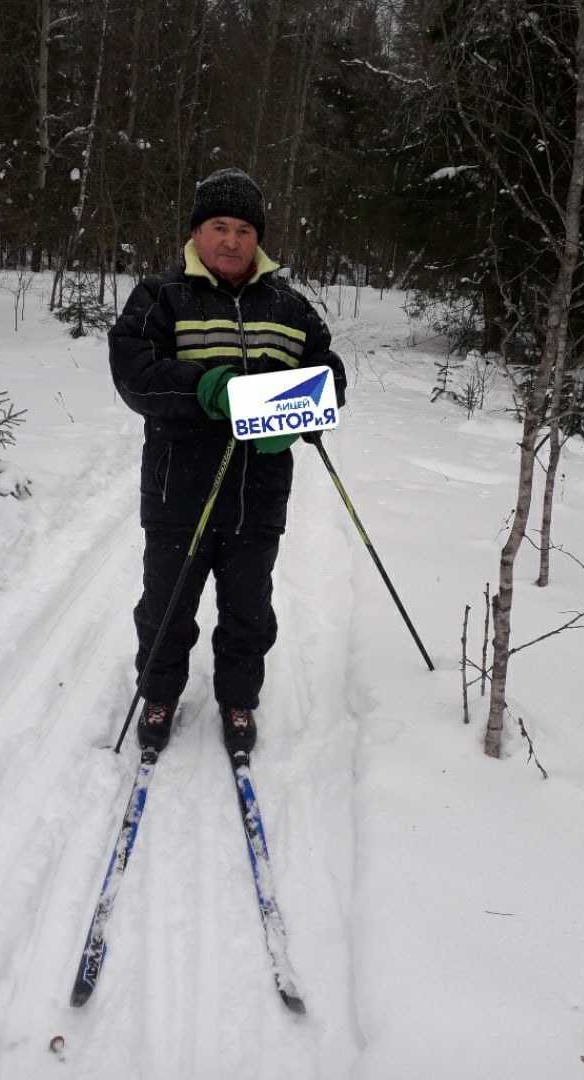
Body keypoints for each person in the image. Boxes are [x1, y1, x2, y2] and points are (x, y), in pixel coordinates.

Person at [108, 167, 346, 758]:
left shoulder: (290, 305)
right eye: (220, 227)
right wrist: (208, 388)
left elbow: (329, 377)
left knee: (248, 606)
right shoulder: (161, 295)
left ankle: (238, 698)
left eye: (244, 229)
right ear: (197, 232)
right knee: (166, 605)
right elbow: (133, 373)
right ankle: (159, 692)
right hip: (175, 489)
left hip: (258, 489)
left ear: (258, 238)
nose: (232, 241)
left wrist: (296, 417)